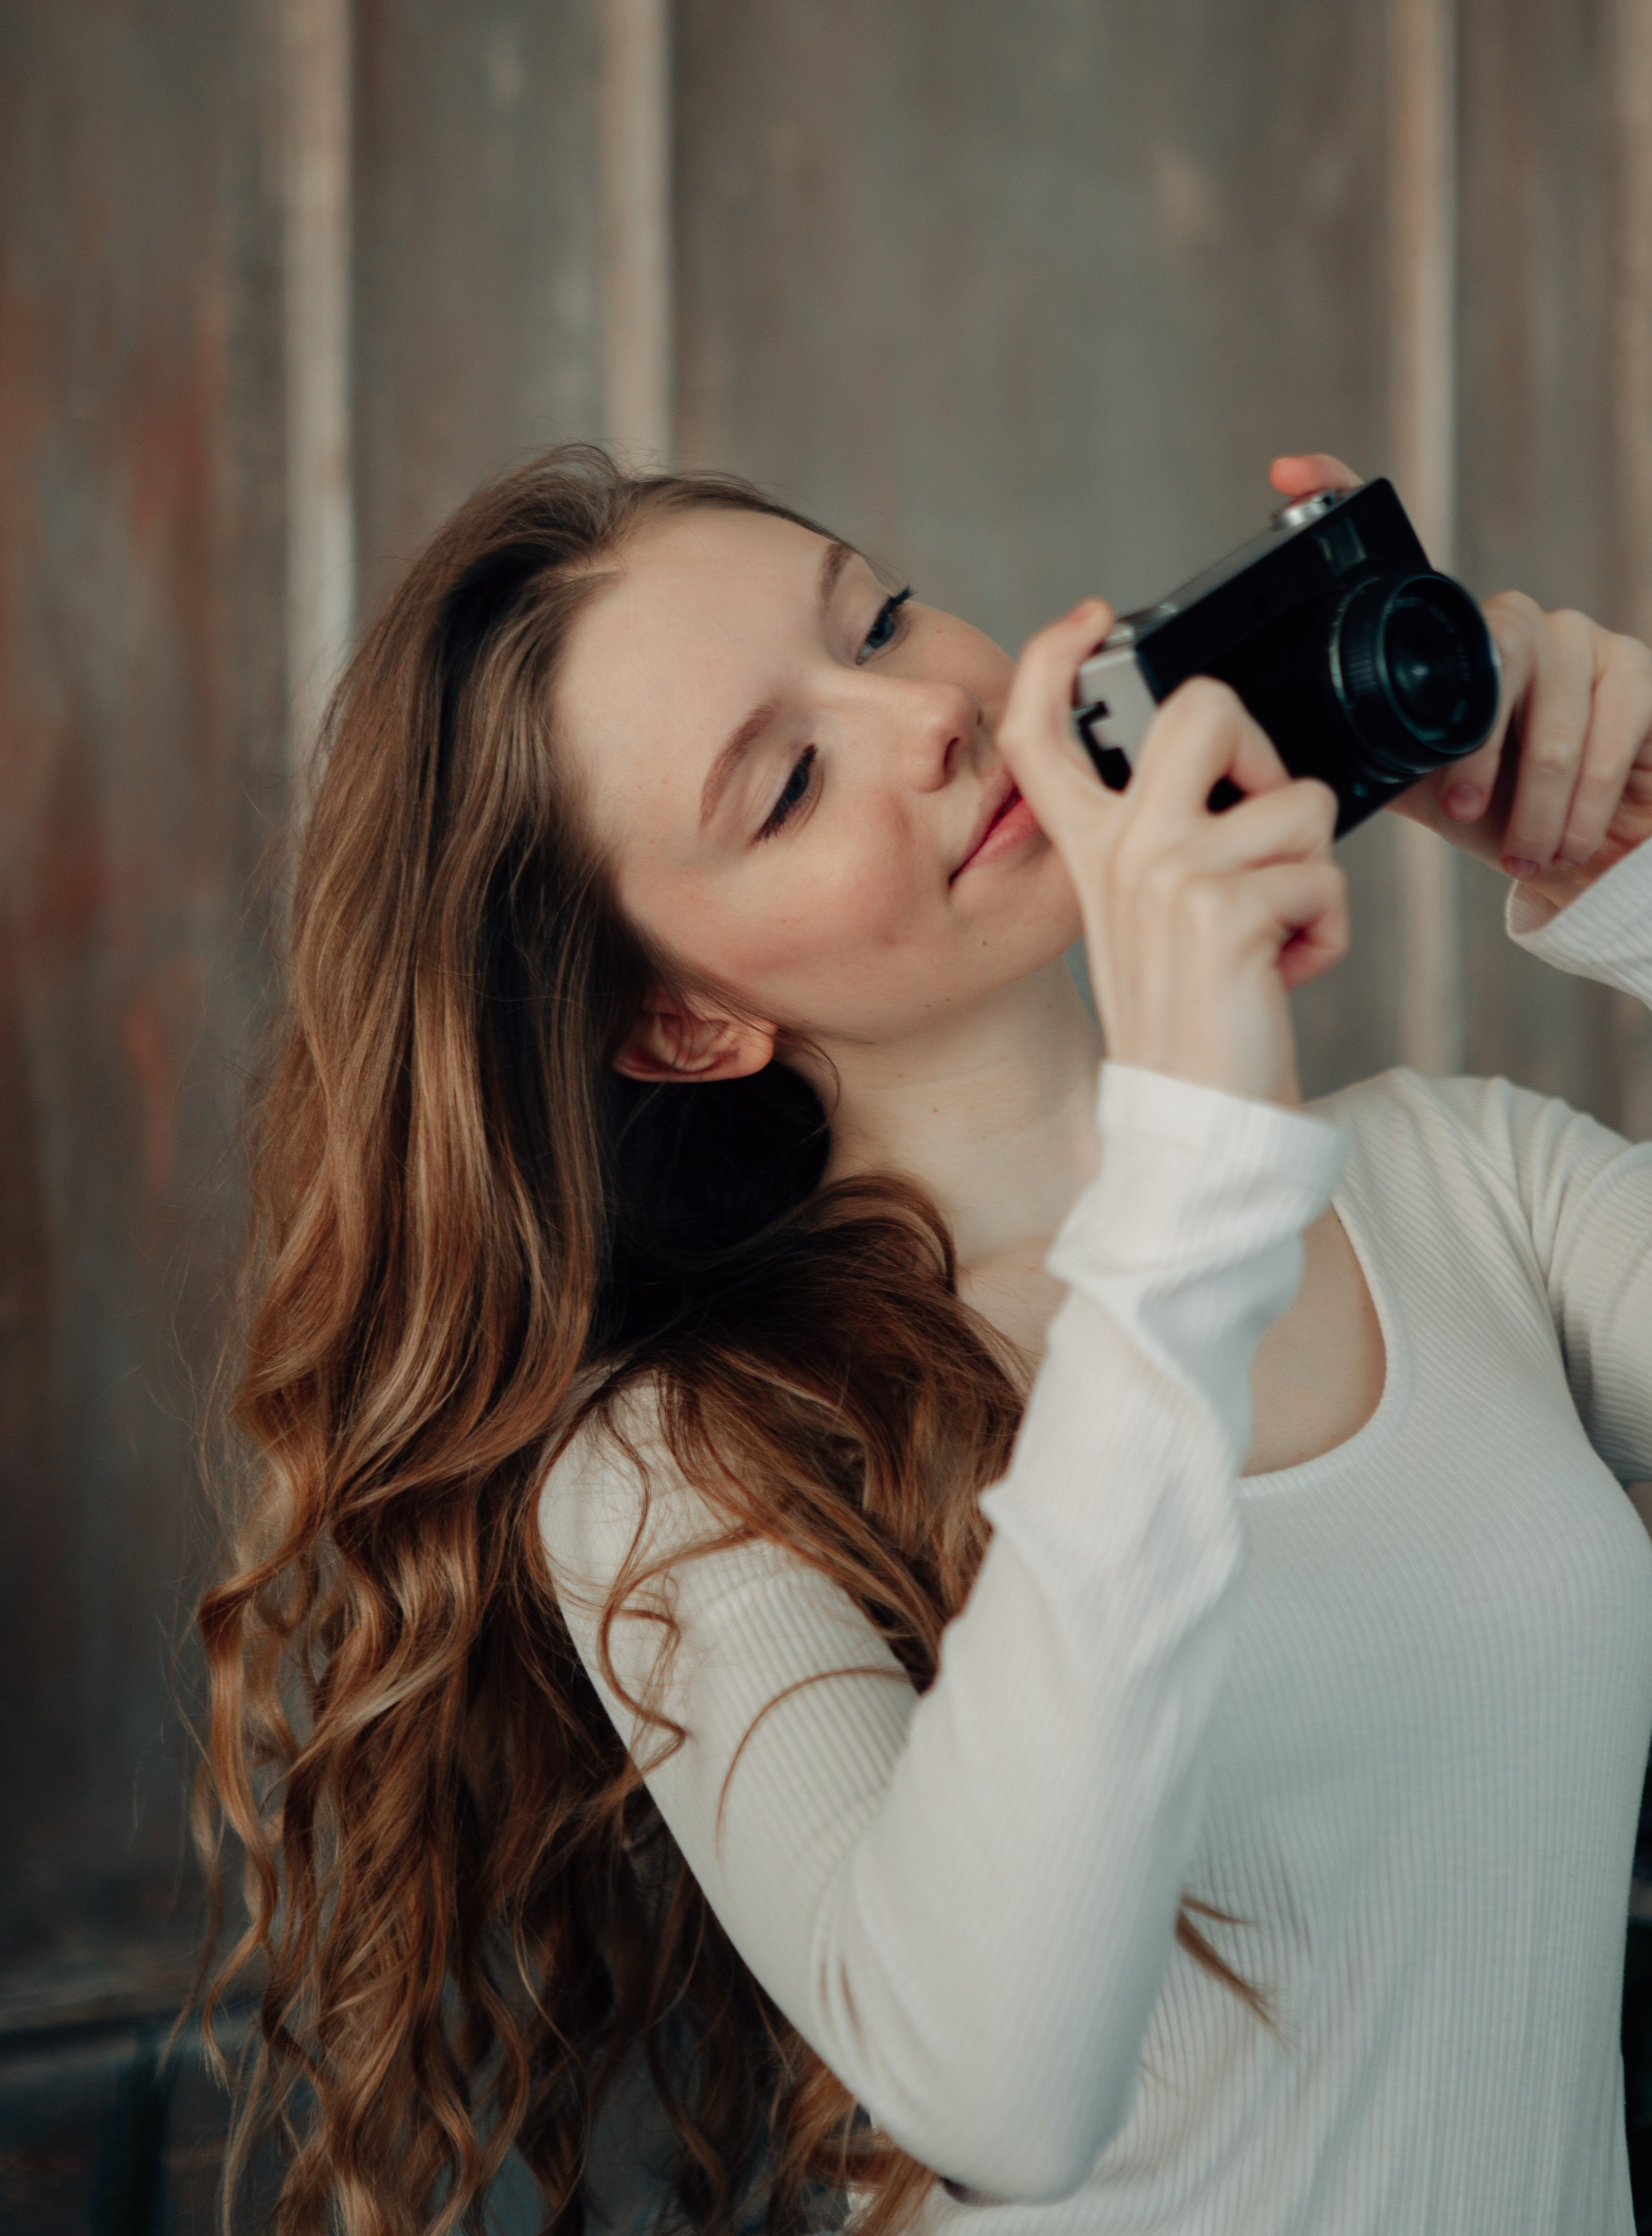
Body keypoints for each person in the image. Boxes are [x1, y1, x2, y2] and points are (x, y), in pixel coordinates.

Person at [197, 442, 1652, 2236]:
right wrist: (1195, 1173)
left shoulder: (1467, 1187)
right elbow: (998, 2088)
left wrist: (1644, 869)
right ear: (684, 1021)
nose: (927, 720)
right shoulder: (678, 1474)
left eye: (880, 618)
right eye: (790, 781)